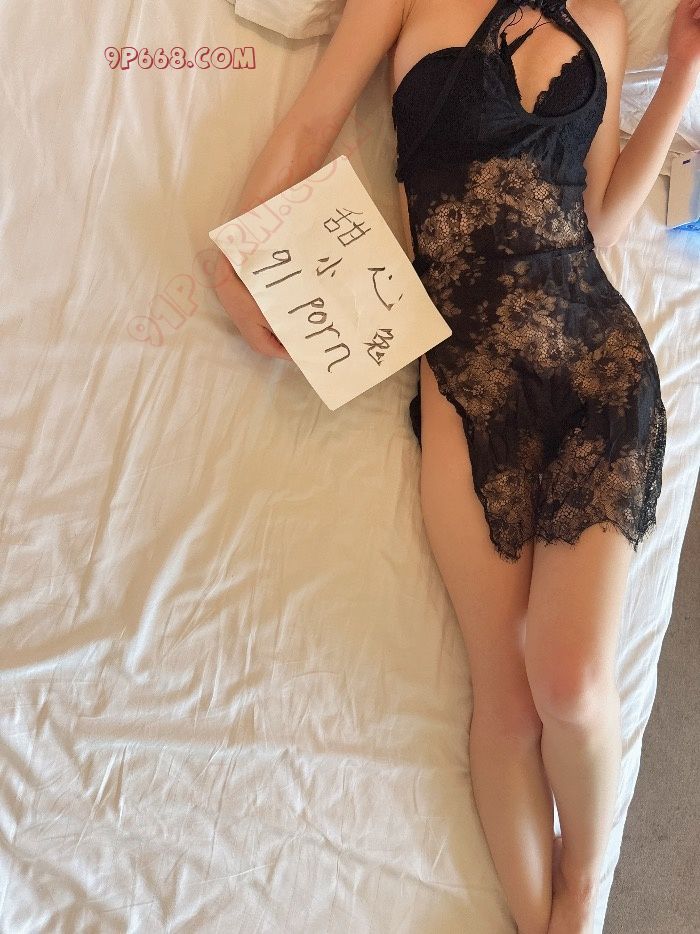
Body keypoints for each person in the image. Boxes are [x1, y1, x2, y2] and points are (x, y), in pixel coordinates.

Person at [215, 2, 700, 932]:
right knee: (507, 701)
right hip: (464, 381)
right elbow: (312, 125)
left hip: (595, 362)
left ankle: (582, 897)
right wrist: (234, 268)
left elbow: (600, 220)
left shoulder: (599, 17)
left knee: (572, 684)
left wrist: (679, 71)